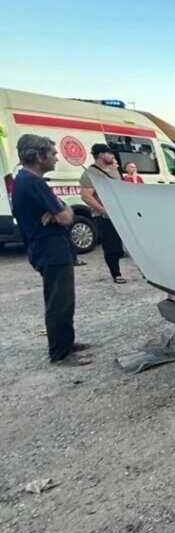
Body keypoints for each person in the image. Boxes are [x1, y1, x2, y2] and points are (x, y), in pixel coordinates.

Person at [11, 135, 92, 366]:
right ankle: (61, 353)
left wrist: (59, 210)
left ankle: (65, 342)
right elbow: (67, 217)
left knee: (62, 300)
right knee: (60, 301)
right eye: (53, 153)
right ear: (39, 156)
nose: (56, 158)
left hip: (47, 250)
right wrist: (61, 211)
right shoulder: (33, 182)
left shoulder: (26, 180)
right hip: (51, 251)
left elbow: (62, 212)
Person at [79, 143, 126, 283]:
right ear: (100, 155)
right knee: (111, 245)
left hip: (121, 211)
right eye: (109, 153)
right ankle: (116, 273)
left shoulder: (114, 170)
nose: (112, 156)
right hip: (105, 215)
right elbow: (86, 196)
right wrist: (103, 210)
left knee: (127, 243)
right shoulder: (90, 174)